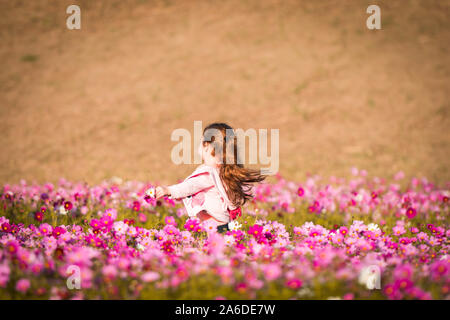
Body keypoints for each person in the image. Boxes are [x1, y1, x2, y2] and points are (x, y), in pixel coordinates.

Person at [155, 122, 266, 233]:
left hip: (212, 228)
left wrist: (168, 190)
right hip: (225, 225)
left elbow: (190, 186)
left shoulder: (208, 173)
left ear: (207, 146)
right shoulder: (225, 170)